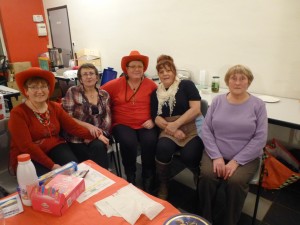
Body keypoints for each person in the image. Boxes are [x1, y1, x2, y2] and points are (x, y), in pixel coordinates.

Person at [198, 65, 268, 225]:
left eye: (242, 78)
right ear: (227, 81)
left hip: (246, 156)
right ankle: (205, 218)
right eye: (233, 78)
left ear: (248, 82)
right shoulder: (217, 101)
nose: (237, 82)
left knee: (235, 182)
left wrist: (236, 162)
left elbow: (260, 138)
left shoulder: (258, 105)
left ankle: (230, 221)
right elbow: (206, 130)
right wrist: (216, 156)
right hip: (216, 152)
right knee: (207, 176)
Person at [8, 67, 102, 176]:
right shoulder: (18, 113)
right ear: (26, 91)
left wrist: (96, 135)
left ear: (49, 89)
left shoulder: (54, 107)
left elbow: (73, 127)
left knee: (73, 170)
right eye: (33, 87)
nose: (39, 91)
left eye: (43, 86)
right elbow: (26, 145)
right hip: (28, 156)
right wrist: (52, 165)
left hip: (54, 146)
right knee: (49, 180)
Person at [101, 50, 158, 192]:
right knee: (129, 142)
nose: (136, 69)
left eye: (139, 66)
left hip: (146, 122)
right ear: (126, 69)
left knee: (150, 141)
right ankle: (130, 175)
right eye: (132, 66)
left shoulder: (151, 85)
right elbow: (98, 94)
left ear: (144, 69)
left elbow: (160, 104)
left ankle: (147, 175)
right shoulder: (114, 84)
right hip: (122, 123)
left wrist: (152, 119)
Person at [150, 55, 204, 199]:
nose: (165, 74)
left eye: (168, 70)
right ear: (158, 75)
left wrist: (176, 125)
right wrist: (173, 130)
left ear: (174, 72)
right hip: (168, 129)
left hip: (191, 127)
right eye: (161, 72)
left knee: (190, 155)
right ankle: (163, 184)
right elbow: (156, 117)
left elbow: (196, 109)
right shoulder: (155, 93)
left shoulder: (186, 85)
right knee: (162, 149)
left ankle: (198, 176)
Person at [62, 63, 111, 169]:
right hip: (77, 135)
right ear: (80, 79)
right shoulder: (73, 91)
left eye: (91, 73)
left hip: (98, 134)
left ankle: (104, 177)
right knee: (82, 159)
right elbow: (67, 117)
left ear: (97, 77)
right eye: (85, 74)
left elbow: (107, 118)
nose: (88, 77)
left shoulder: (104, 94)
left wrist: (98, 133)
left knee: (98, 146)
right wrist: (88, 128)